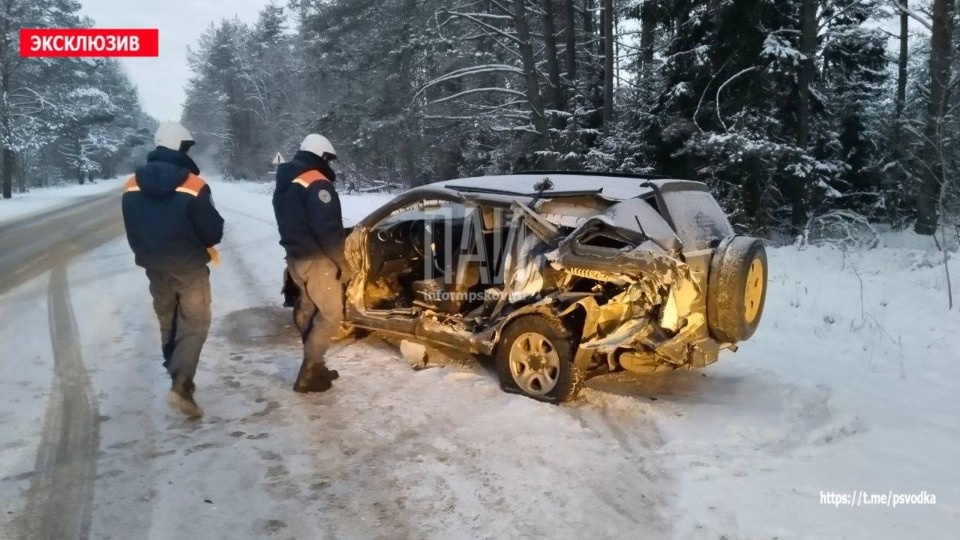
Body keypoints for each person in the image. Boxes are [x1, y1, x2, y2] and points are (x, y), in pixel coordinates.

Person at [121, 122, 224, 419]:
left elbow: (132, 230)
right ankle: (181, 384)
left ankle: (179, 380)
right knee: (195, 323)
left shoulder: (131, 185)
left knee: (169, 322)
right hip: (189, 267)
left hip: (155, 269)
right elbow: (212, 232)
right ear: (180, 146)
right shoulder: (194, 185)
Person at [273, 134, 350, 393]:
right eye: (329, 159)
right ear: (323, 156)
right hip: (318, 261)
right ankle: (308, 373)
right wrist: (342, 262)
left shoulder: (286, 182)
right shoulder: (316, 182)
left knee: (308, 310)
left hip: (295, 260)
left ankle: (316, 367)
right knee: (331, 314)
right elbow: (326, 229)